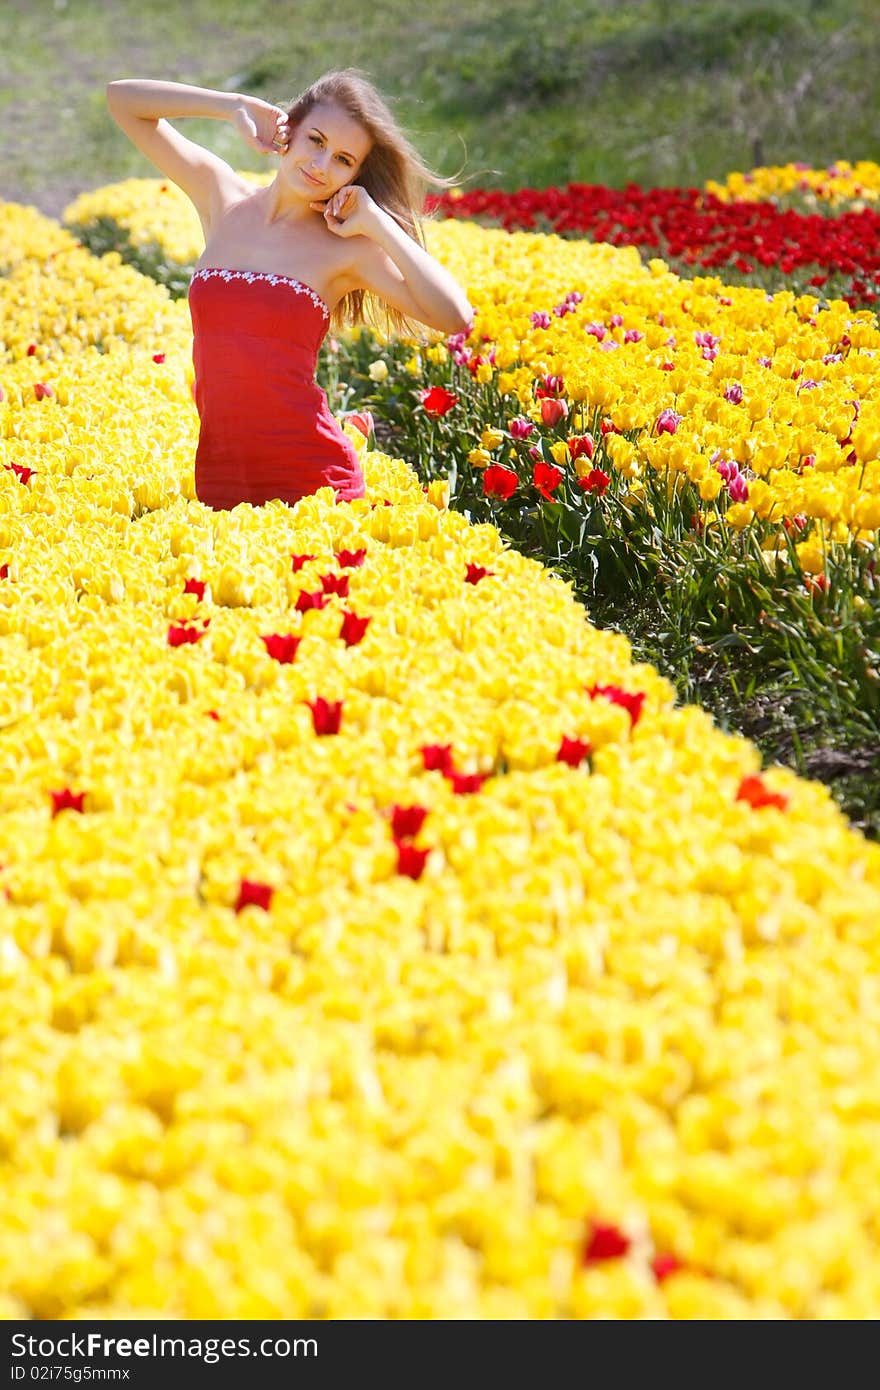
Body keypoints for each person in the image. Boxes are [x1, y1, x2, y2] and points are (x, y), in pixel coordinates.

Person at [105, 70, 473, 511]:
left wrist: (378, 224)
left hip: (314, 483)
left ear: (356, 173)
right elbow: (122, 100)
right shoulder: (221, 199)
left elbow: (455, 317)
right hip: (221, 477)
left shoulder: (347, 248)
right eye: (316, 141)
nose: (320, 166)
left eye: (342, 159)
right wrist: (230, 104)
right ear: (289, 130)